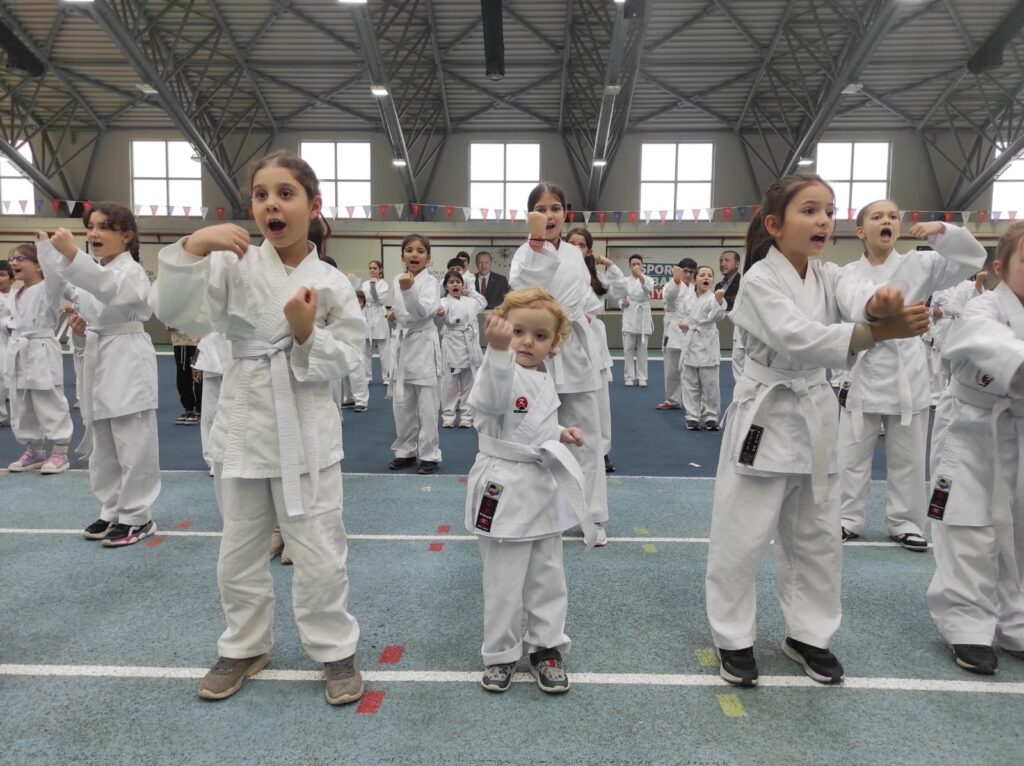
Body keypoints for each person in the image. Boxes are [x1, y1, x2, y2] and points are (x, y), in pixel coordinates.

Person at [150, 150, 366, 706]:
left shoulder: (332, 282)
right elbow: (175, 309)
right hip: (245, 417)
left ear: (313, 207)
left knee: (319, 548)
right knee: (239, 548)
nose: (272, 203)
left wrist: (304, 335)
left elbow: (350, 357)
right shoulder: (231, 264)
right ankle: (245, 644)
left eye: (286, 193)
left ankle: (334, 648)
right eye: (262, 194)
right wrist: (192, 247)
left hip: (307, 431)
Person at [704, 173, 931, 688]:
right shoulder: (760, 279)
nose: (823, 220)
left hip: (816, 415)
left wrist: (880, 308)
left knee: (818, 536)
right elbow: (800, 338)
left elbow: (859, 298)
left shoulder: (831, 276)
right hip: (766, 415)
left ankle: (809, 633)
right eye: (809, 210)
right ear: (774, 224)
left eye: (829, 211)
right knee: (742, 536)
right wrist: (878, 333)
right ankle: (733, 637)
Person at [835, 201, 987, 550]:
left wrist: (944, 233)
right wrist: (880, 308)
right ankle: (846, 518)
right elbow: (852, 306)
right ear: (861, 231)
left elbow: (970, 260)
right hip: (864, 370)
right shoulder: (847, 274)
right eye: (877, 217)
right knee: (850, 455)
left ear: (899, 229)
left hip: (908, 372)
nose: (887, 220)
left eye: (892, 216)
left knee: (908, 455)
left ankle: (906, 522)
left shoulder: (921, 263)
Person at [466, 288, 595, 694]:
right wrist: (498, 351)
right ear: (503, 329)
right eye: (518, 331)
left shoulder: (542, 375)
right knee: (503, 581)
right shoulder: (497, 366)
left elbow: (531, 425)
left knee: (547, 575)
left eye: (540, 336)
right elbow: (489, 404)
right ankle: (501, 653)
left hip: (541, 484)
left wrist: (561, 432)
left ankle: (546, 647)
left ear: (554, 344)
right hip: (504, 484)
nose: (527, 342)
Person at [925, 221, 1024, 676]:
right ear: (1001, 268)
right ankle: (967, 623)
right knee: (967, 524)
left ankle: (1015, 620)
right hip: (969, 429)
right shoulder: (981, 310)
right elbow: (984, 344)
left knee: (1019, 527)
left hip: (1016, 433)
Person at [39, 203, 162, 546]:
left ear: (126, 236)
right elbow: (76, 291)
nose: (94, 233)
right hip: (100, 354)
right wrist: (79, 330)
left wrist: (70, 254)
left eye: (104, 227)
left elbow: (107, 288)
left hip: (127, 356)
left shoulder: (131, 271)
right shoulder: (95, 270)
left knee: (132, 440)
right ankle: (111, 508)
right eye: (90, 227)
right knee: (103, 438)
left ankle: (138, 515)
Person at [511, 182, 609, 546]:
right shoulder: (524, 254)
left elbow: (586, 298)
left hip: (576, 347)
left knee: (587, 436)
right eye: (541, 208)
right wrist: (537, 246)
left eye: (556, 208)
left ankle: (592, 515)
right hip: (538, 347)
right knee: (535, 431)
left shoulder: (573, 253)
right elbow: (525, 294)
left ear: (565, 213)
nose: (549, 215)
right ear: (530, 215)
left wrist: (584, 322)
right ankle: (539, 510)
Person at [4, 243, 74, 474]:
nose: (14, 263)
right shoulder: (15, 294)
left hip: (41, 347)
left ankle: (60, 451)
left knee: (48, 397)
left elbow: (57, 274)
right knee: (21, 401)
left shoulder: (48, 287)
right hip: (19, 349)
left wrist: (45, 245)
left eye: (20, 258)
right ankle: (34, 450)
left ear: (38, 265)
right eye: (11, 259)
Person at [567, 226, 625, 476]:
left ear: (589, 250)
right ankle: (567, 447)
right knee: (569, 402)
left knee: (600, 403)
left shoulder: (597, 278)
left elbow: (622, 289)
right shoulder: (558, 274)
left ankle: (602, 450)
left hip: (594, 344)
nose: (576, 249)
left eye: (581, 245)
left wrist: (609, 264)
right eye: (572, 244)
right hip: (567, 342)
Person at [387, 234, 443, 475]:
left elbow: (422, 313)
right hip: (402, 345)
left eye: (420, 251)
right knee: (402, 404)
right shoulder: (396, 280)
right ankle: (406, 450)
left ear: (428, 259)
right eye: (409, 250)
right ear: (402, 256)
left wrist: (408, 291)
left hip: (423, 345)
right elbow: (400, 310)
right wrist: (394, 315)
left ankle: (429, 454)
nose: (414, 254)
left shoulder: (431, 283)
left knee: (427, 407)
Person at [680, 266, 727, 430]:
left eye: (709, 275)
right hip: (691, 341)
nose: (706, 278)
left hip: (707, 343)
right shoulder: (688, 298)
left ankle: (711, 416)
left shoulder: (713, 298)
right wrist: (685, 324)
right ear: (695, 279)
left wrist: (719, 300)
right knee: (690, 382)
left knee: (710, 384)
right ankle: (692, 416)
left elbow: (718, 316)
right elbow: (687, 316)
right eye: (702, 275)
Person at [439, 269, 486, 428]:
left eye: (458, 282)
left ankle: (467, 415)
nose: (455, 285)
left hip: (469, 345)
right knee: (450, 383)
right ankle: (448, 415)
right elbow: (441, 311)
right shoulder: (444, 302)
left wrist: (470, 291)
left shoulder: (470, 302)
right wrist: (440, 312)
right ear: (446, 287)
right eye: (451, 282)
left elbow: (483, 301)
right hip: (453, 343)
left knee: (469, 382)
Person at [657, 258, 697, 411]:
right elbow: (670, 297)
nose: (687, 274)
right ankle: (672, 400)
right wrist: (676, 279)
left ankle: (691, 401)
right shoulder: (671, 284)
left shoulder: (695, 288)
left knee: (691, 369)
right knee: (672, 369)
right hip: (673, 330)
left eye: (691, 272)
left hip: (691, 329)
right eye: (685, 271)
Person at [619, 255, 654, 387]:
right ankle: (629, 376)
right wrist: (623, 302)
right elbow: (619, 297)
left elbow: (649, 291)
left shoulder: (648, 279)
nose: (636, 266)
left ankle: (642, 377)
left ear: (642, 265)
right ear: (629, 266)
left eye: (638, 263)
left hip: (643, 313)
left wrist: (641, 277)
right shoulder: (624, 281)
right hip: (630, 313)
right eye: (633, 264)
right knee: (628, 349)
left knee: (642, 350)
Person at [339, 290, 370, 412]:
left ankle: (361, 400)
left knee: (356, 373)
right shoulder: (346, 314)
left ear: (363, 304)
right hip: (344, 344)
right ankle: (349, 398)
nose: (357, 304)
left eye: (360, 301)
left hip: (355, 346)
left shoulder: (361, 317)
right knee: (344, 374)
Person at [168, 326, 202, 425]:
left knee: (196, 376)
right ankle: (189, 409)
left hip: (196, 342)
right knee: (182, 377)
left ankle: (199, 410)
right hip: (180, 343)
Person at [363, 260, 390, 384]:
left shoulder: (384, 284)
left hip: (379, 314)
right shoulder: (364, 284)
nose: (372, 270)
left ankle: (387, 377)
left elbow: (378, 300)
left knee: (383, 349)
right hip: (367, 313)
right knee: (366, 348)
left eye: (375, 268)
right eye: (370, 268)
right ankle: (367, 377)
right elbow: (364, 299)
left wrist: (373, 287)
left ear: (380, 270)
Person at [0, 259, 13, 426]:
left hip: (16, 339)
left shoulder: (18, 295)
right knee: (1, 376)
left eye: (3, 275)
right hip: (1, 340)